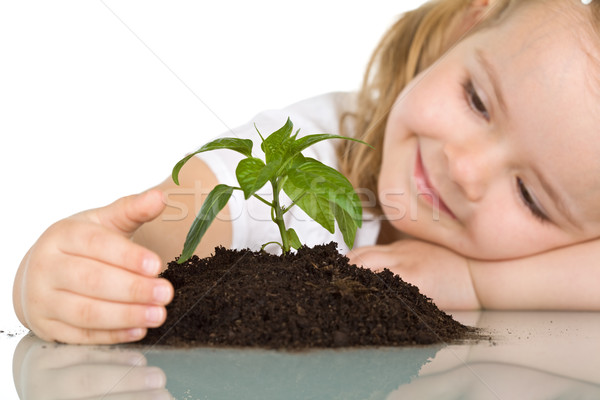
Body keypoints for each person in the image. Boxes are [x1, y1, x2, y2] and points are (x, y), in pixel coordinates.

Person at [12, 0, 600, 344]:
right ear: (463, 28)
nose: (465, 170)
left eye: (530, 195)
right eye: (477, 100)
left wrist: (475, 283)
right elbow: (184, 214)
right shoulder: (312, 158)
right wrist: (90, 267)